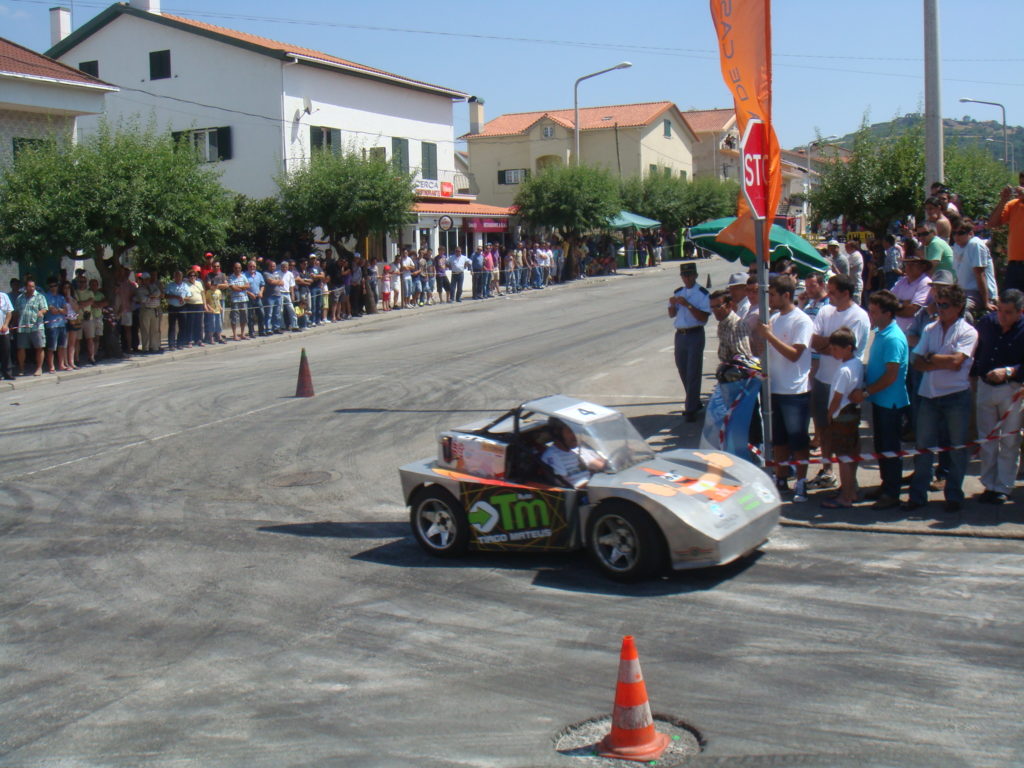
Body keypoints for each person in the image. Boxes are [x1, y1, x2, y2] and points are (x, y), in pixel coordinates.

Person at [904, 285, 978, 513]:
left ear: (958, 307)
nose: (940, 309)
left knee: (956, 448)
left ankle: (954, 495)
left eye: (945, 305)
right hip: (929, 396)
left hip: (956, 397)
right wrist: (939, 360)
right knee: (923, 448)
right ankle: (917, 496)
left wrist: (931, 358)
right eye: (938, 304)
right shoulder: (930, 328)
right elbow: (916, 361)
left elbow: (957, 363)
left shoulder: (968, 332)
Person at [807, 274, 870, 490]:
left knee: (844, 436)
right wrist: (830, 344)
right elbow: (815, 342)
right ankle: (827, 471)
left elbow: (844, 349)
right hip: (823, 379)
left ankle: (849, 485)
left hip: (846, 386)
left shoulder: (859, 316)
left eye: (832, 292)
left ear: (845, 293)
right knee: (823, 429)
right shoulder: (825, 311)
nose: (828, 295)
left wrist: (827, 345)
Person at [850, 290, 909, 510]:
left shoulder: (893, 338)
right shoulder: (882, 333)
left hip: (890, 403)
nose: (870, 315)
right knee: (881, 446)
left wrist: (866, 392)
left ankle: (892, 492)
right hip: (880, 401)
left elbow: (891, 375)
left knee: (890, 448)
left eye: (874, 311)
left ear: (887, 313)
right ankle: (886, 486)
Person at [756, 275, 813, 501]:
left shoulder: (802, 321)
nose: (769, 299)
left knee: (798, 439)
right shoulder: (774, 318)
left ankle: (801, 481)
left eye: (772, 294)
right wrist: (761, 341)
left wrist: (769, 337)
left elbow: (794, 354)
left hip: (795, 391)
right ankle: (781, 478)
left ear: (786, 295)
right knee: (778, 439)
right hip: (775, 389)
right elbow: (767, 351)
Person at [970, 289, 1024, 505]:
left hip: (1011, 389)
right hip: (986, 385)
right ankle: (989, 484)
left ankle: (1003, 486)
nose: (1003, 316)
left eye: (1008, 312)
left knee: (1009, 439)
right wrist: (973, 373)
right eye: (1000, 311)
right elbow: (978, 348)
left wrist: (1010, 371)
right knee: (987, 438)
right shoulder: (987, 323)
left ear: (1020, 312)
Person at [821, 327, 863, 508]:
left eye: (836, 349)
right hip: (853, 413)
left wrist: (829, 415)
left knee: (843, 457)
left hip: (841, 416)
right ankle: (851, 491)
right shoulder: (857, 364)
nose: (833, 352)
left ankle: (845, 496)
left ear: (848, 347)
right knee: (851, 455)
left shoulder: (844, 370)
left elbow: (836, 398)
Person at [668, 262, 711, 422]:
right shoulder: (678, 292)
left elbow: (703, 317)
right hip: (680, 334)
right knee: (682, 369)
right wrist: (672, 304)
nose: (687, 278)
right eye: (684, 275)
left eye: (690, 275)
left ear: (695, 275)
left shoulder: (702, 293)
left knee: (693, 370)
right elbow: (672, 315)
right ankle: (694, 400)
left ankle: (690, 408)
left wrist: (688, 305)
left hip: (695, 333)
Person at [541, 417, 608, 487]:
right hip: (582, 493)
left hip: (595, 486)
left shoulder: (577, 449)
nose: (575, 435)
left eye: (576, 431)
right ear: (557, 432)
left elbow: (601, 465)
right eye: (570, 431)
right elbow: (567, 486)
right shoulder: (552, 456)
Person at [951, 222, 997, 313]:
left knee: (961, 310)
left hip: (977, 292)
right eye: (954, 233)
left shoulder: (975, 244)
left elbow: (980, 274)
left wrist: (986, 302)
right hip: (962, 292)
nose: (956, 236)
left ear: (970, 233)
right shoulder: (957, 246)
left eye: (960, 233)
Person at [989, 179, 1024, 292]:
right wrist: (1003, 200)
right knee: (1010, 302)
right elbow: (992, 223)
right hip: (1015, 265)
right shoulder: (1013, 205)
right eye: (1021, 184)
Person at [709, 289, 752, 365]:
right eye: (712, 307)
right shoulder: (722, 325)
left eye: (718, 306)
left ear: (729, 305)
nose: (714, 310)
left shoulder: (737, 325)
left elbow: (743, 358)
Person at [15, 279, 47, 376]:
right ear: (26, 287)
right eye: (30, 286)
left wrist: (41, 312)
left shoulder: (40, 297)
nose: (32, 288)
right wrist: (14, 323)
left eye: (33, 286)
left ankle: (39, 368)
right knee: (21, 348)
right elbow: (16, 312)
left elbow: (45, 308)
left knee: (39, 347)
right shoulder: (20, 298)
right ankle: (21, 369)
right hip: (22, 326)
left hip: (36, 327)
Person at [135, 272, 163, 353]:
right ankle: (146, 348)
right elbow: (143, 299)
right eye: (145, 279)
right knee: (145, 330)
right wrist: (151, 296)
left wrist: (150, 296)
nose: (147, 281)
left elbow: (158, 293)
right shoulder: (140, 289)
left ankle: (154, 347)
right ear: (142, 280)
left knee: (154, 330)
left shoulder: (153, 286)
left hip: (154, 310)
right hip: (145, 310)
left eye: (148, 279)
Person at [227, 262, 250, 340]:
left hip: (244, 299)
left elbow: (248, 285)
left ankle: (242, 334)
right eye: (236, 268)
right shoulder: (231, 277)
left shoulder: (243, 276)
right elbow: (233, 288)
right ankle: (234, 335)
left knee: (244, 317)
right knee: (234, 318)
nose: (238, 269)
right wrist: (242, 288)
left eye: (239, 268)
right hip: (235, 300)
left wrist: (239, 287)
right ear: (233, 268)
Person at [0, 288, 13, 380]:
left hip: (4, 330)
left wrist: (6, 324)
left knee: (6, 352)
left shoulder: (4, 296)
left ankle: (7, 373)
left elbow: (9, 312)